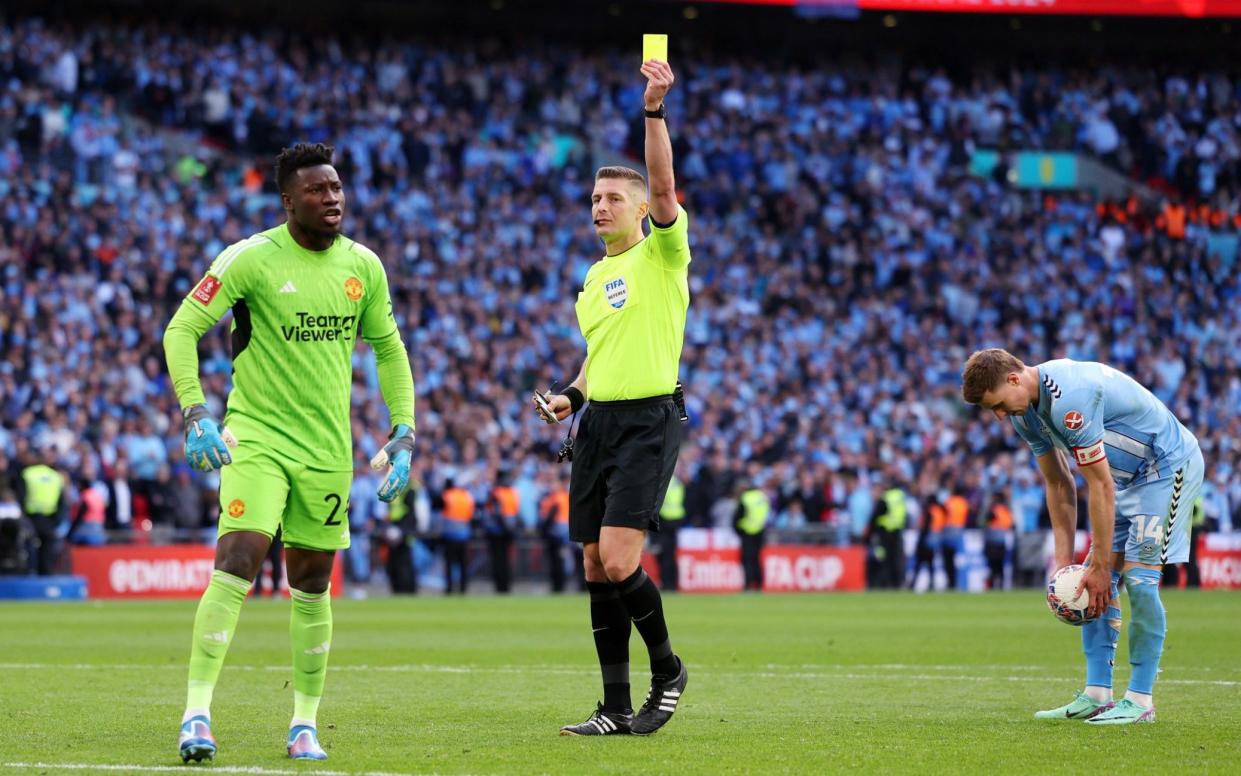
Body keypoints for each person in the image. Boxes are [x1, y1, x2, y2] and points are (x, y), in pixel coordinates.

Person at [163, 142, 416, 762]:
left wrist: (404, 430)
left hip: (328, 450)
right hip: (257, 436)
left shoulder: (365, 266)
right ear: (288, 201)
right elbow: (181, 329)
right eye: (317, 191)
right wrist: (195, 413)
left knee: (311, 583)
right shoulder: (248, 260)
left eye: (336, 188)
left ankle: (304, 723)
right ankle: (196, 714)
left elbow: (388, 350)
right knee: (240, 557)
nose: (332, 199)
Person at [535, 57, 689, 737]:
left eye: (612, 199)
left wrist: (652, 111)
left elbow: (662, 183)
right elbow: (599, 359)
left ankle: (668, 671)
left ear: (638, 209)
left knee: (622, 559)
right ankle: (613, 707)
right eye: (595, 199)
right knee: (596, 564)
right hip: (599, 423)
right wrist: (571, 395)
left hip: (651, 421)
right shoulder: (594, 277)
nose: (601, 207)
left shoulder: (660, 254)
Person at [962, 348, 1204, 725]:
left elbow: (1098, 484)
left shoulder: (1069, 397)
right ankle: (1097, 695)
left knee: (1138, 581)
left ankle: (1140, 701)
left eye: (997, 405)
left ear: (1013, 378)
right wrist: (1064, 566)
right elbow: (1059, 484)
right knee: (1087, 584)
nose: (998, 415)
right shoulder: (1024, 415)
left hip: (1167, 466)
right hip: (1126, 481)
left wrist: (1102, 564)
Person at [437, 478, 475, 594]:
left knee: (449, 564)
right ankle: (463, 588)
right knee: (463, 564)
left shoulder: (446, 495)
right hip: (464, 534)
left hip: (449, 535)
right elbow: (471, 514)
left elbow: (439, 508)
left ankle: (449, 589)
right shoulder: (466, 496)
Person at [485, 472, 520, 593]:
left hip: (497, 532)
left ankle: (500, 587)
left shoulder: (495, 493)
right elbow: (515, 513)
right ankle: (506, 587)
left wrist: (506, 528)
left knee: (498, 561)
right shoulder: (513, 493)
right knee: (506, 560)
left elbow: (497, 513)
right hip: (508, 531)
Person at [733, 478, 770, 592]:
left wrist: (738, 529)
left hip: (747, 532)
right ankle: (758, 583)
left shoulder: (746, 498)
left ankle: (748, 584)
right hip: (760, 531)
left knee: (747, 560)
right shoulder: (762, 497)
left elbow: (738, 517)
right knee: (756, 559)